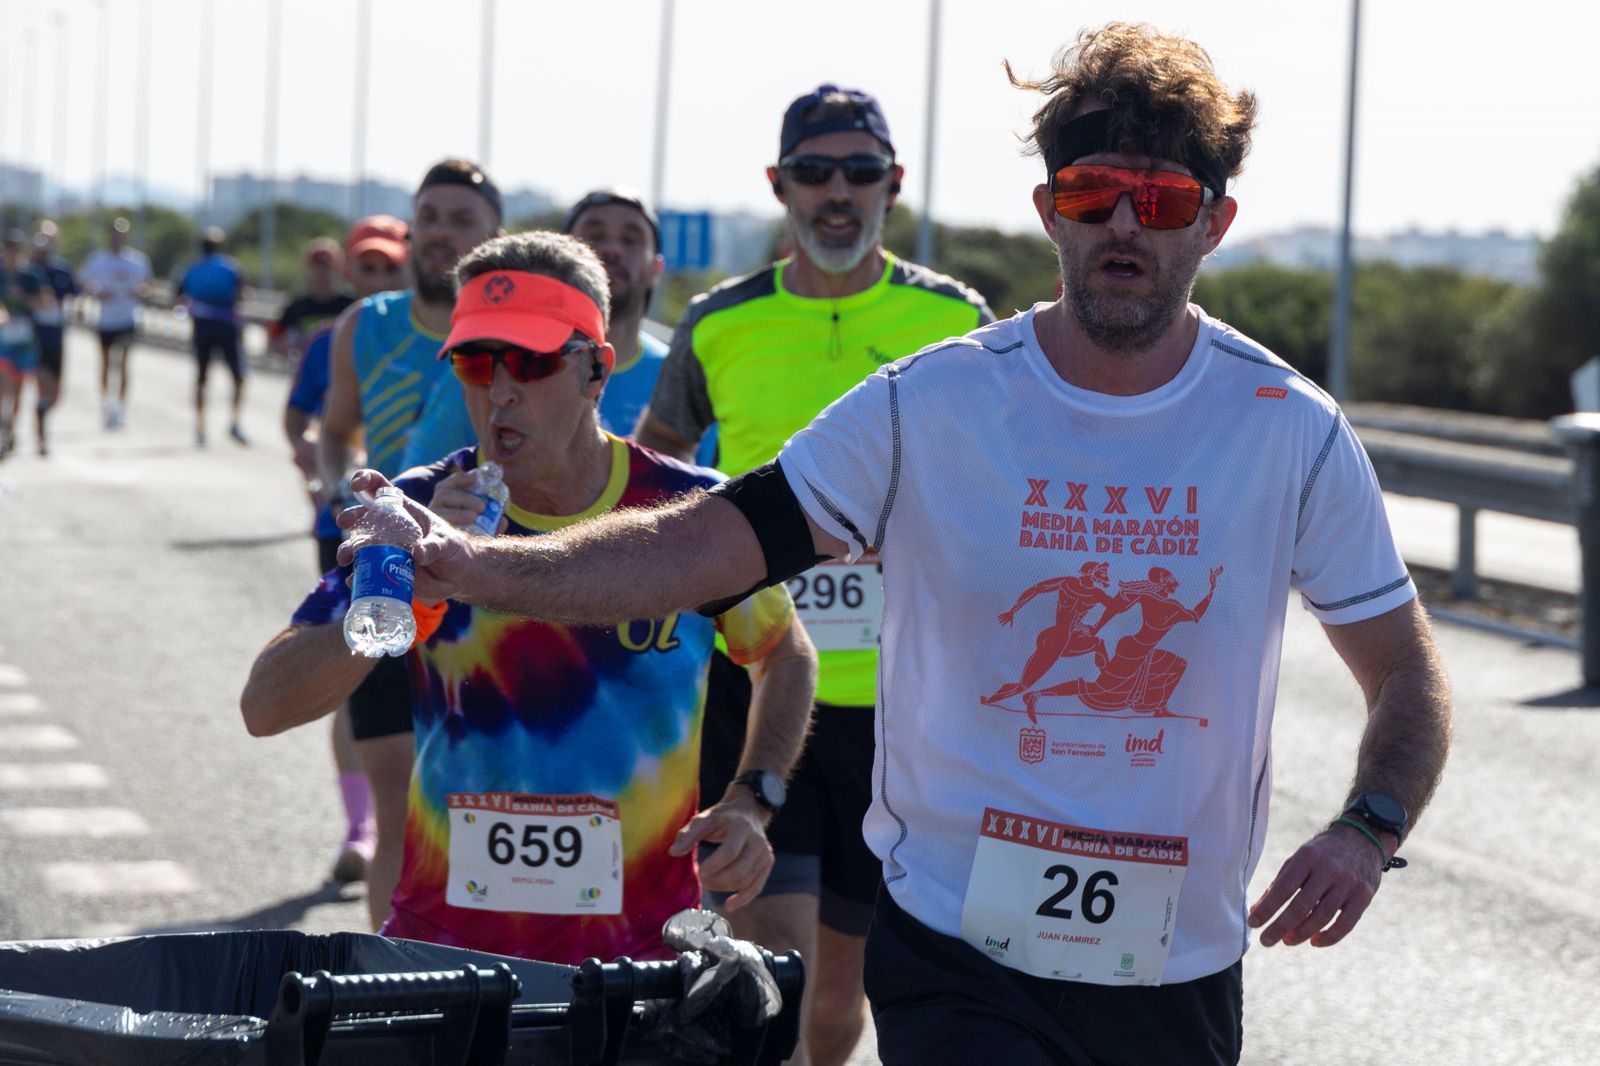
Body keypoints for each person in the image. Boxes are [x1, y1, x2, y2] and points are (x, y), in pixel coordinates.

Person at [333, 23, 1453, 1066]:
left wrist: (1368, 826)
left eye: (1158, 201)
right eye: (1092, 192)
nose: (1122, 225)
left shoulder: (1286, 427)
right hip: (957, 944)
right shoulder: (933, 403)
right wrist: (475, 565)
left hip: (1177, 958)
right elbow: (707, 544)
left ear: (1214, 221)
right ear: (1048, 211)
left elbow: (1403, 670)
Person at [242, 230, 817, 965]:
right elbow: (265, 706)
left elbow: (784, 654)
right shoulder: (416, 510)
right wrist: (401, 599)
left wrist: (752, 798)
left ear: (596, 372)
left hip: (636, 958)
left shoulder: (690, 514)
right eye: (477, 362)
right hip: (446, 950)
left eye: (533, 361)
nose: (500, 390)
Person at [635, 83, 994, 1066]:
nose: (838, 192)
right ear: (779, 185)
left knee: (843, 996)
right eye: (815, 172)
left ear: (894, 185)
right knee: (771, 973)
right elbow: (653, 469)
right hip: (759, 693)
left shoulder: (953, 317)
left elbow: (998, 484)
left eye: (859, 172)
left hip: (904, 716)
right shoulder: (719, 323)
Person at [316, 161, 501, 928]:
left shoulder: (508, 336)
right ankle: (383, 989)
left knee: (477, 802)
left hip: (485, 591)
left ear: (494, 235)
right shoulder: (369, 324)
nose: (441, 233)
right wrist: (340, 491)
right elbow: (335, 434)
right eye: (429, 216)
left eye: (462, 220)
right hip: (386, 574)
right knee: (398, 807)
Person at [282, 215, 409, 884]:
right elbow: (302, 420)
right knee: (357, 680)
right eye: (370, 267)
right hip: (346, 534)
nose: (381, 279)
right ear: (352, 272)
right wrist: (329, 482)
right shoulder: (338, 338)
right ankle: (363, 828)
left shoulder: (457, 340)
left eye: (393, 267)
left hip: (433, 541)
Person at [78, 216, 152, 430]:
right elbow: (84, 285)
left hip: (128, 318)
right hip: (105, 319)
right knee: (106, 363)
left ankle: (120, 408)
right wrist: (97, 294)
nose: (117, 238)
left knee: (124, 364)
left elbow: (147, 288)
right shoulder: (98, 259)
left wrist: (140, 293)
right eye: (114, 234)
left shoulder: (137, 261)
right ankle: (106, 405)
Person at [178, 227, 248, 446]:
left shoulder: (191, 268)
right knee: (237, 376)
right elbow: (242, 296)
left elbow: (179, 296)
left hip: (202, 327)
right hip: (227, 326)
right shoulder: (231, 268)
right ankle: (234, 422)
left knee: (201, 379)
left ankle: (200, 427)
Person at [28, 221, 79, 457]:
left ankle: (42, 413)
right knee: (43, 384)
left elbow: (76, 295)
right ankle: (41, 438)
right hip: (34, 335)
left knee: (56, 394)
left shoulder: (62, 270)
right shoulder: (28, 271)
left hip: (56, 335)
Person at [0, 231, 48, 459]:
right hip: (2, 340)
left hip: (25, 341)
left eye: (15, 248)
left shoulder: (32, 276)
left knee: (18, 391)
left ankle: (11, 429)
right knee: (3, 386)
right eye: (8, 248)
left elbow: (44, 305)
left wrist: (23, 299)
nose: (11, 253)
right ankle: (3, 426)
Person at [270, 238, 354, 363]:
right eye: (317, 266)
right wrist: (287, 346)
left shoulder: (350, 306)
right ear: (308, 269)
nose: (322, 272)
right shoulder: (296, 307)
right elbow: (273, 341)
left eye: (327, 266)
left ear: (338, 268)